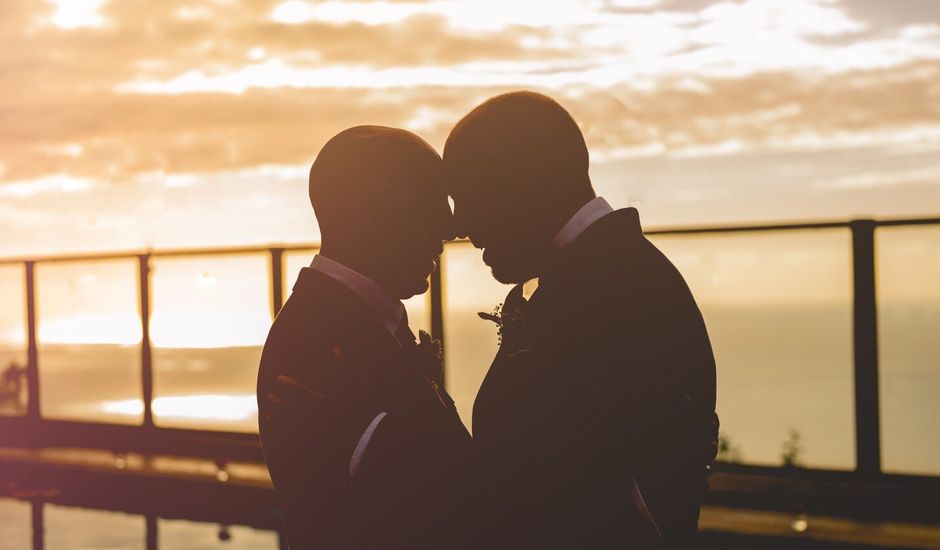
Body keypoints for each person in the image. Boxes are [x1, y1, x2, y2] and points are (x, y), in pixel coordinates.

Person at [443, 91, 718, 549]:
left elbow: (549, 491)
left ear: (525, 181)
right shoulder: (607, 276)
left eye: (468, 195)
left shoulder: (615, 293)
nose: (461, 225)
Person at [257, 125, 473, 549]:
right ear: (375, 213)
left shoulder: (346, 324)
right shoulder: (317, 348)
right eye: (431, 201)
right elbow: (437, 500)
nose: (450, 226)